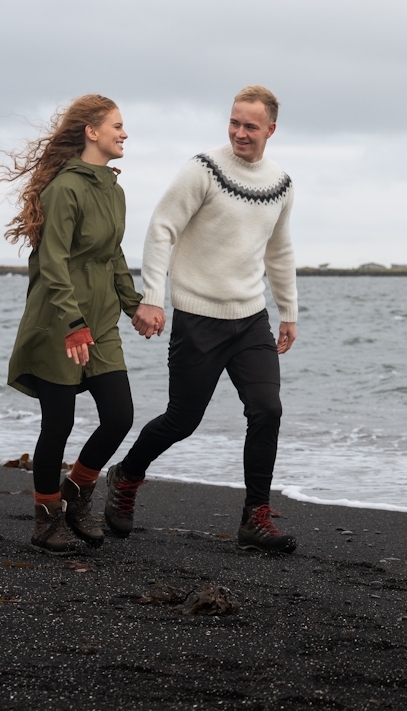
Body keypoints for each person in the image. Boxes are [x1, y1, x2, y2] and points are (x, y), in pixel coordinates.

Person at [104, 85, 299, 553]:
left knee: (267, 410)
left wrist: (288, 309)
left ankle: (256, 516)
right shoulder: (203, 170)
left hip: (251, 319)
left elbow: (279, 248)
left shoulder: (281, 183)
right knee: (182, 419)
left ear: (271, 129)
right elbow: (161, 228)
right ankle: (127, 476)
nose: (240, 133)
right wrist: (152, 296)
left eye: (250, 126)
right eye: (234, 122)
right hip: (197, 318)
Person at [0, 94, 149, 552]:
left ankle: (76, 494)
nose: (124, 134)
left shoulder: (113, 189)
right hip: (59, 323)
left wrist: (132, 304)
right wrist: (72, 323)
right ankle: (46, 519)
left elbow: (112, 255)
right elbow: (52, 262)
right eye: (117, 126)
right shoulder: (64, 189)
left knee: (119, 416)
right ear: (92, 132)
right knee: (57, 424)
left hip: (99, 323)